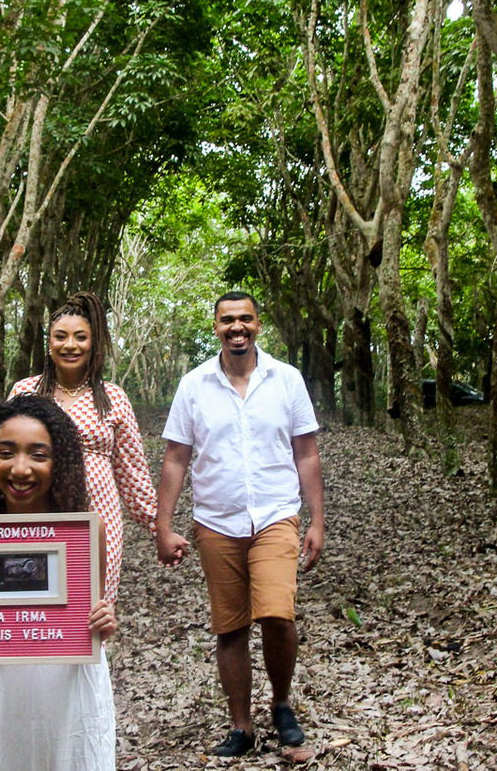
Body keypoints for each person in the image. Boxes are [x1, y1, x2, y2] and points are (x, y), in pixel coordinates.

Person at [155, 291, 326, 757]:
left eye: (245, 319)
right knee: (230, 626)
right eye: (227, 320)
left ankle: (282, 704)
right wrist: (163, 526)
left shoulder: (286, 379)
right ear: (215, 327)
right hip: (216, 520)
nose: (237, 327)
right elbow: (176, 458)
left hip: (275, 514)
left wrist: (317, 520)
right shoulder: (194, 385)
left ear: (258, 324)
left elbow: (306, 453)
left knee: (277, 613)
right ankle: (241, 727)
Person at [0, 395, 118, 770]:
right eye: (6, 453)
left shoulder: (86, 529)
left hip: (70, 682)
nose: (20, 468)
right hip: (6, 682)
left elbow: (90, 615)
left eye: (38, 455)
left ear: (59, 460)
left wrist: (104, 621)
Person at [8, 291, 157, 604]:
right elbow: (4, 454)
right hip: (36, 516)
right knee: (37, 605)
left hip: (99, 522)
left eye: (80, 337)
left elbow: (132, 472)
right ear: (49, 343)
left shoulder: (113, 398)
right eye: (60, 336)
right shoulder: (25, 391)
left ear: (93, 343)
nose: (70, 345)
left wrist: (159, 526)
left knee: (92, 610)